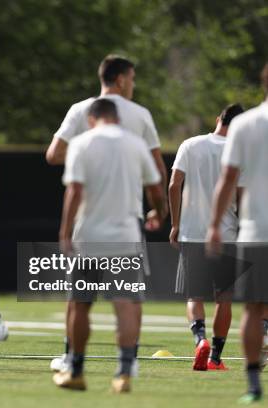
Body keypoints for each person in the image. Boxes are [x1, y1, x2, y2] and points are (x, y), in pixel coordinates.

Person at [46, 54, 167, 373]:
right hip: (128, 221)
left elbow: (54, 154)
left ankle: (73, 360)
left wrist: (90, 154)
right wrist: (162, 209)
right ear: (121, 79)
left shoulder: (79, 112)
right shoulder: (139, 115)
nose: (134, 85)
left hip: (88, 223)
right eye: (133, 78)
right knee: (129, 298)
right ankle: (129, 362)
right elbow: (157, 169)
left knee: (79, 299)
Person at [207, 63, 268, 403]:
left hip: (256, 230)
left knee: (253, 309)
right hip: (256, 228)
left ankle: (253, 384)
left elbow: (227, 181)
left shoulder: (244, 125)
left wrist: (215, 225)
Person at [169, 104, 244, 371]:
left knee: (194, 296)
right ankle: (215, 357)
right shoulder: (240, 152)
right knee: (224, 298)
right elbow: (243, 194)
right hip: (227, 234)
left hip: (193, 232)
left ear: (218, 120)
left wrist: (176, 224)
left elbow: (173, 184)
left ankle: (199, 340)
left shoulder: (190, 145)